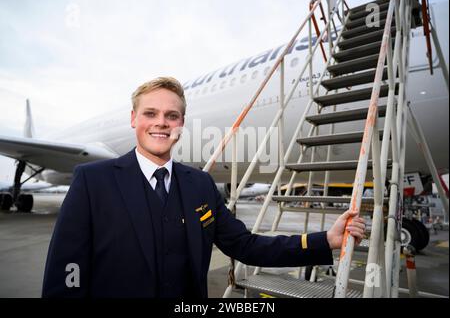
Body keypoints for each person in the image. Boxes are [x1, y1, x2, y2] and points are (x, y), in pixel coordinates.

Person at [42, 77, 365, 298]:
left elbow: (247, 246)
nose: (161, 123)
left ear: (181, 124)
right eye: (150, 113)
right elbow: (67, 270)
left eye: (172, 115)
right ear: (133, 119)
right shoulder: (92, 180)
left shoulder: (200, 184)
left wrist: (325, 240)